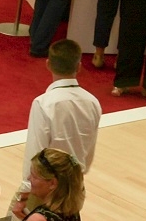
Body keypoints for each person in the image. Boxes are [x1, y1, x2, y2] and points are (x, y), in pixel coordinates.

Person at [23, 41, 98, 171]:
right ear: (79, 67)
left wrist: (26, 186)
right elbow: (90, 146)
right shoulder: (92, 102)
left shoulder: (43, 103)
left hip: (49, 181)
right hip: (76, 179)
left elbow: (35, 149)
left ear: (48, 65)